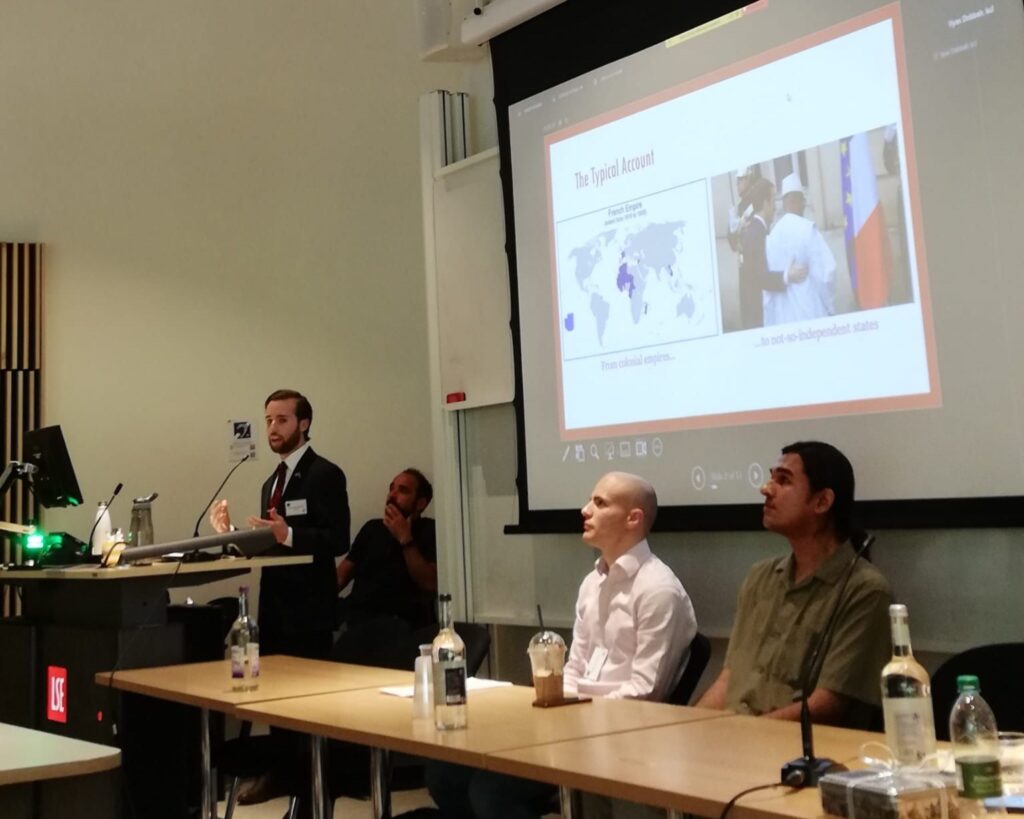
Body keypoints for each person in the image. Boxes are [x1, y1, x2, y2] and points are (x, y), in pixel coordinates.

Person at [427, 471, 696, 819]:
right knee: (444, 773)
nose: (585, 510)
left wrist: (576, 713)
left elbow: (646, 692)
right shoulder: (592, 583)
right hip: (571, 726)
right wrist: (559, 706)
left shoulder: (658, 590)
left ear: (633, 518)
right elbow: (574, 667)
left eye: (599, 503)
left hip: (619, 736)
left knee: (490, 791)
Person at [209, 389, 349, 809]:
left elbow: (337, 539)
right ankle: (288, 784)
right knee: (279, 711)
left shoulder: (325, 474)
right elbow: (270, 546)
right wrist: (232, 535)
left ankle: (309, 800)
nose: (273, 428)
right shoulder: (271, 481)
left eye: (282, 420)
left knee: (308, 716)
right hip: (276, 612)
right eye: (268, 420)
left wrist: (287, 534)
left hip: (309, 615)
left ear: (303, 424)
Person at [697, 441, 891, 726]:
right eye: (771, 478)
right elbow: (729, 680)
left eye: (784, 481)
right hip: (736, 736)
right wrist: (686, 726)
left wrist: (740, 734)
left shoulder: (864, 589)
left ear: (822, 501)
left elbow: (828, 704)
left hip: (799, 750)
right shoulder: (760, 577)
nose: (766, 489)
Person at [336, 468, 438, 631]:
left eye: (403, 490)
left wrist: (405, 538)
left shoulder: (430, 530)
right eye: (391, 488)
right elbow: (342, 575)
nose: (392, 495)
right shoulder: (372, 528)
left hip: (403, 623)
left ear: (420, 503)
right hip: (358, 619)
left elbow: (429, 583)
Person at [763, 173, 837, 326]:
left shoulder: (771, 237)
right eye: (803, 201)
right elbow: (825, 275)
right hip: (810, 313)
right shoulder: (808, 230)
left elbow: (767, 288)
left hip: (783, 319)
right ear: (800, 201)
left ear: (784, 204)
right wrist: (830, 307)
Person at [737, 177, 807, 329]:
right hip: (758, 319)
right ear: (765, 203)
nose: (776, 207)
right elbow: (760, 277)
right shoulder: (756, 233)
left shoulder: (757, 229)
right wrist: (788, 275)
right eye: (773, 201)